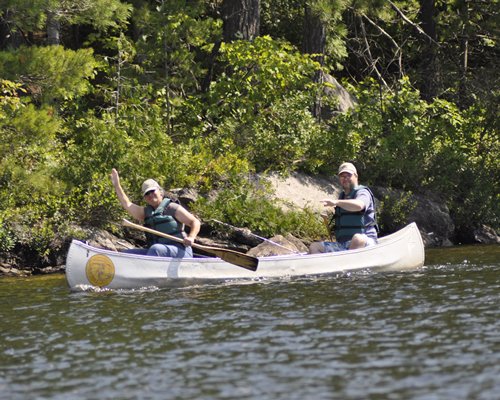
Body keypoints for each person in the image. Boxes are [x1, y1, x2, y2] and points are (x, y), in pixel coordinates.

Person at [110, 168, 200, 258]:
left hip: (181, 251)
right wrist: (117, 186)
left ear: (160, 192)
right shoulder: (145, 213)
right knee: (127, 254)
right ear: (145, 198)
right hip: (158, 252)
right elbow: (127, 204)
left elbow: (195, 222)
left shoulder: (173, 208)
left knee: (155, 249)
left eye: (152, 191)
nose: (150, 195)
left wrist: (191, 237)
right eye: (147, 193)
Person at [309, 162, 378, 253]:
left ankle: (349, 264)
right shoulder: (342, 197)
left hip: (366, 241)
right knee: (314, 247)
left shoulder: (363, 193)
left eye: (348, 175)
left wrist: (336, 202)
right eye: (342, 176)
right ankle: (328, 266)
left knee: (357, 239)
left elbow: (360, 205)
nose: (345, 178)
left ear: (356, 176)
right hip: (343, 245)